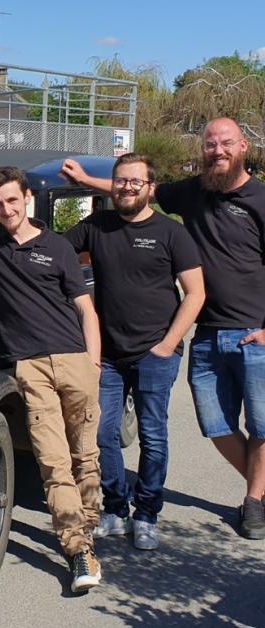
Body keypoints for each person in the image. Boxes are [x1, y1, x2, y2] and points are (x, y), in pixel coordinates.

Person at [62, 117, 265, 539]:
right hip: (207, 332)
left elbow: (191, 286)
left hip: (252, 330)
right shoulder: (193, 193)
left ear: (243, 146)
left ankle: (254, 501)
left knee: (260, 425)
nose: (217, 150)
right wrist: (86, 179)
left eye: (225, 143)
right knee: (215, 424)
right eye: (210, 144)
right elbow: (134, 190)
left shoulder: (259, 201)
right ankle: (120, 507)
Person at [0, 166, 103, 593]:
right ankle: (78, 549)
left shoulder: (58, 247)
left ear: (26, 198)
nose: (6, 209)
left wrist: (93, 365)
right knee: (53, 458)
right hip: (29, 365)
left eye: (12, 200)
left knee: (85, 453)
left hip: (74, 359)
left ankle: (91, 520)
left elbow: (85, 309)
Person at [64, 153, 205, 550]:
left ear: (150, 189)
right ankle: (115, 509)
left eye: (135, 182)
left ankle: (147, 513)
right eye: (121, 181)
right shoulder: (96, 226)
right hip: (108, 354)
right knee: (105, 434)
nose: (127, 187)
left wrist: (168, 344)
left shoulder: (171, 234)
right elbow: (53, 254)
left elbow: (195, 293)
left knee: (153, 435)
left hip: (155, 353)